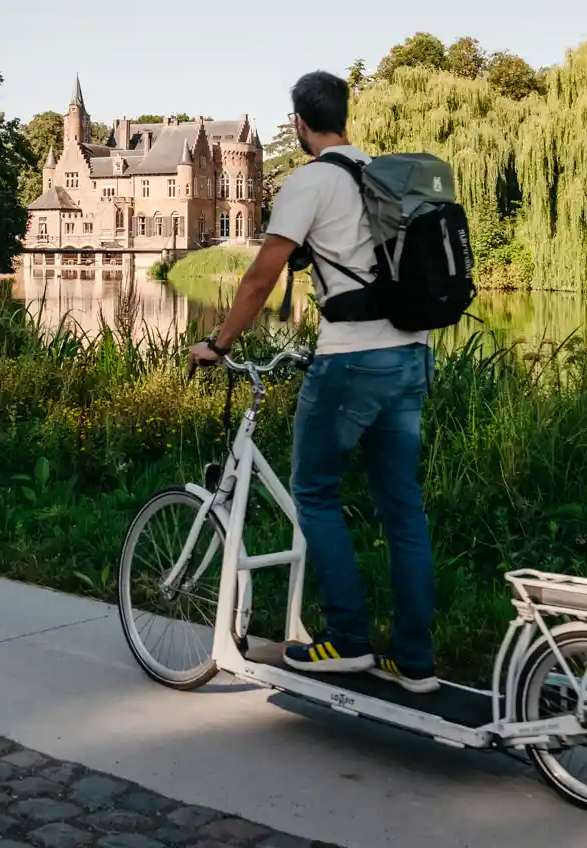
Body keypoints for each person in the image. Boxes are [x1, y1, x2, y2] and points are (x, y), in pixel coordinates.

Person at [188, 70, 438, 693]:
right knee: (403, 509)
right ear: (344, 115)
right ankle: (416, 660)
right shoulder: (384, 175)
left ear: (299, 122)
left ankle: (348, 640)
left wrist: (219, 344)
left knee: (315, 491)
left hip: (351, 360)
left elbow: (258, 278)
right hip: (411, 355)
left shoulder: (310, 180)